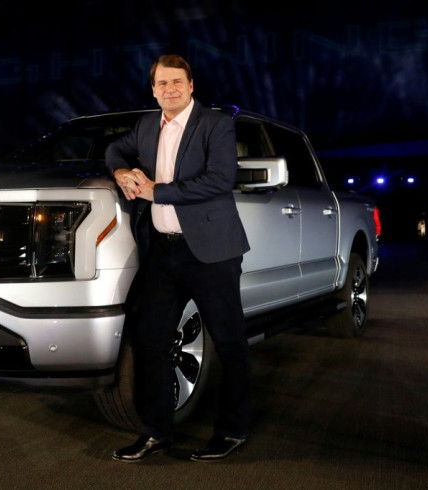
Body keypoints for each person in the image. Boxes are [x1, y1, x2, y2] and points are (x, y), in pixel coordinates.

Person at [106, 54, 252, 462]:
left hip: (211, 252)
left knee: (229, 342)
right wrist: (120, 172)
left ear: (191, 86)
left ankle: (232, 430)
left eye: (177, 82)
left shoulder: (216, 124)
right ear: (153, 90)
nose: (169, 89)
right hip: (162, 251)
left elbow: (221, 180)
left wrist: (158, 191)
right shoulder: (147, 125)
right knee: (150, 340)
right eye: (161, 83)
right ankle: (156, 432)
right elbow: (116, 148)